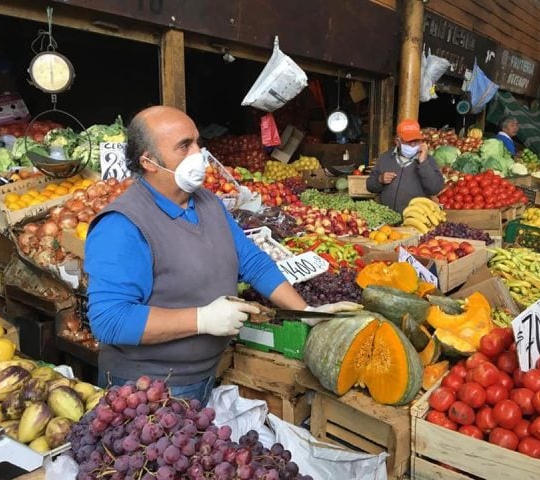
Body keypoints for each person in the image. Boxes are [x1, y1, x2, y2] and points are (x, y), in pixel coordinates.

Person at [84, 106, 360, 404]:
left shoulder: (207, 202)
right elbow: (110, 319)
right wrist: (201, 320)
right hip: (146, 390)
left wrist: (304, 313)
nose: (198, 154)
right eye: (184, 146)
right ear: (149, 161)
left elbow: (252, 262)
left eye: (197, 142)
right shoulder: (122, 224)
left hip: (203, 376)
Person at [366, 119, 444, 212]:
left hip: (416, 219)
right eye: (408, 141)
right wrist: (380, 179)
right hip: (388, 219)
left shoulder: (428, 160)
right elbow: (370, 185)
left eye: (416, 141)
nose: (413, 144)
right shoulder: (385, 159)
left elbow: (435, 189)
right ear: (397, 141)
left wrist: (423, 162)